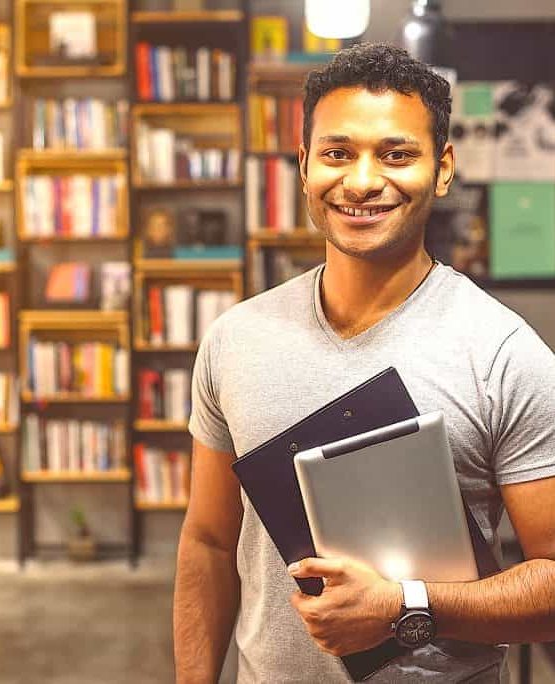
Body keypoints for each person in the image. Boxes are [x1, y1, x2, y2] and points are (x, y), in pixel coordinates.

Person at [173, 42, 555, 683]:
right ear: (303, 167)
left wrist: (406, 607)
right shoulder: (235, 339)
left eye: (397, 154)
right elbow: (208, 542)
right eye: (337, 153)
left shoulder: (504, 356)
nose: (361, 180)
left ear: (442, 169)